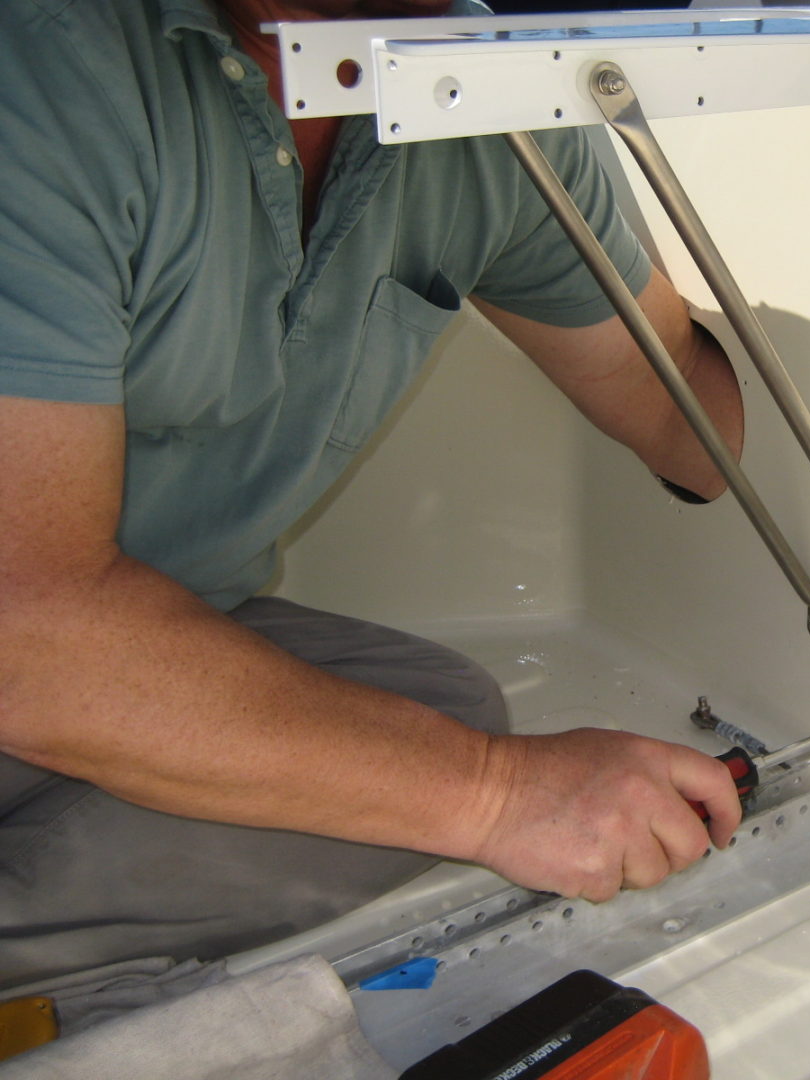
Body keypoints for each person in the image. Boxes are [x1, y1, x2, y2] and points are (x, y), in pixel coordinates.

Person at [0, 0, 744, 990]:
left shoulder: (490, 104)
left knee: (435, 707)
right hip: (36, 632)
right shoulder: (48, 59)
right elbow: (28, 628)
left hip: (147, 636)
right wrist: (497, 796)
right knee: (445, 763)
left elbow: (687, 418)